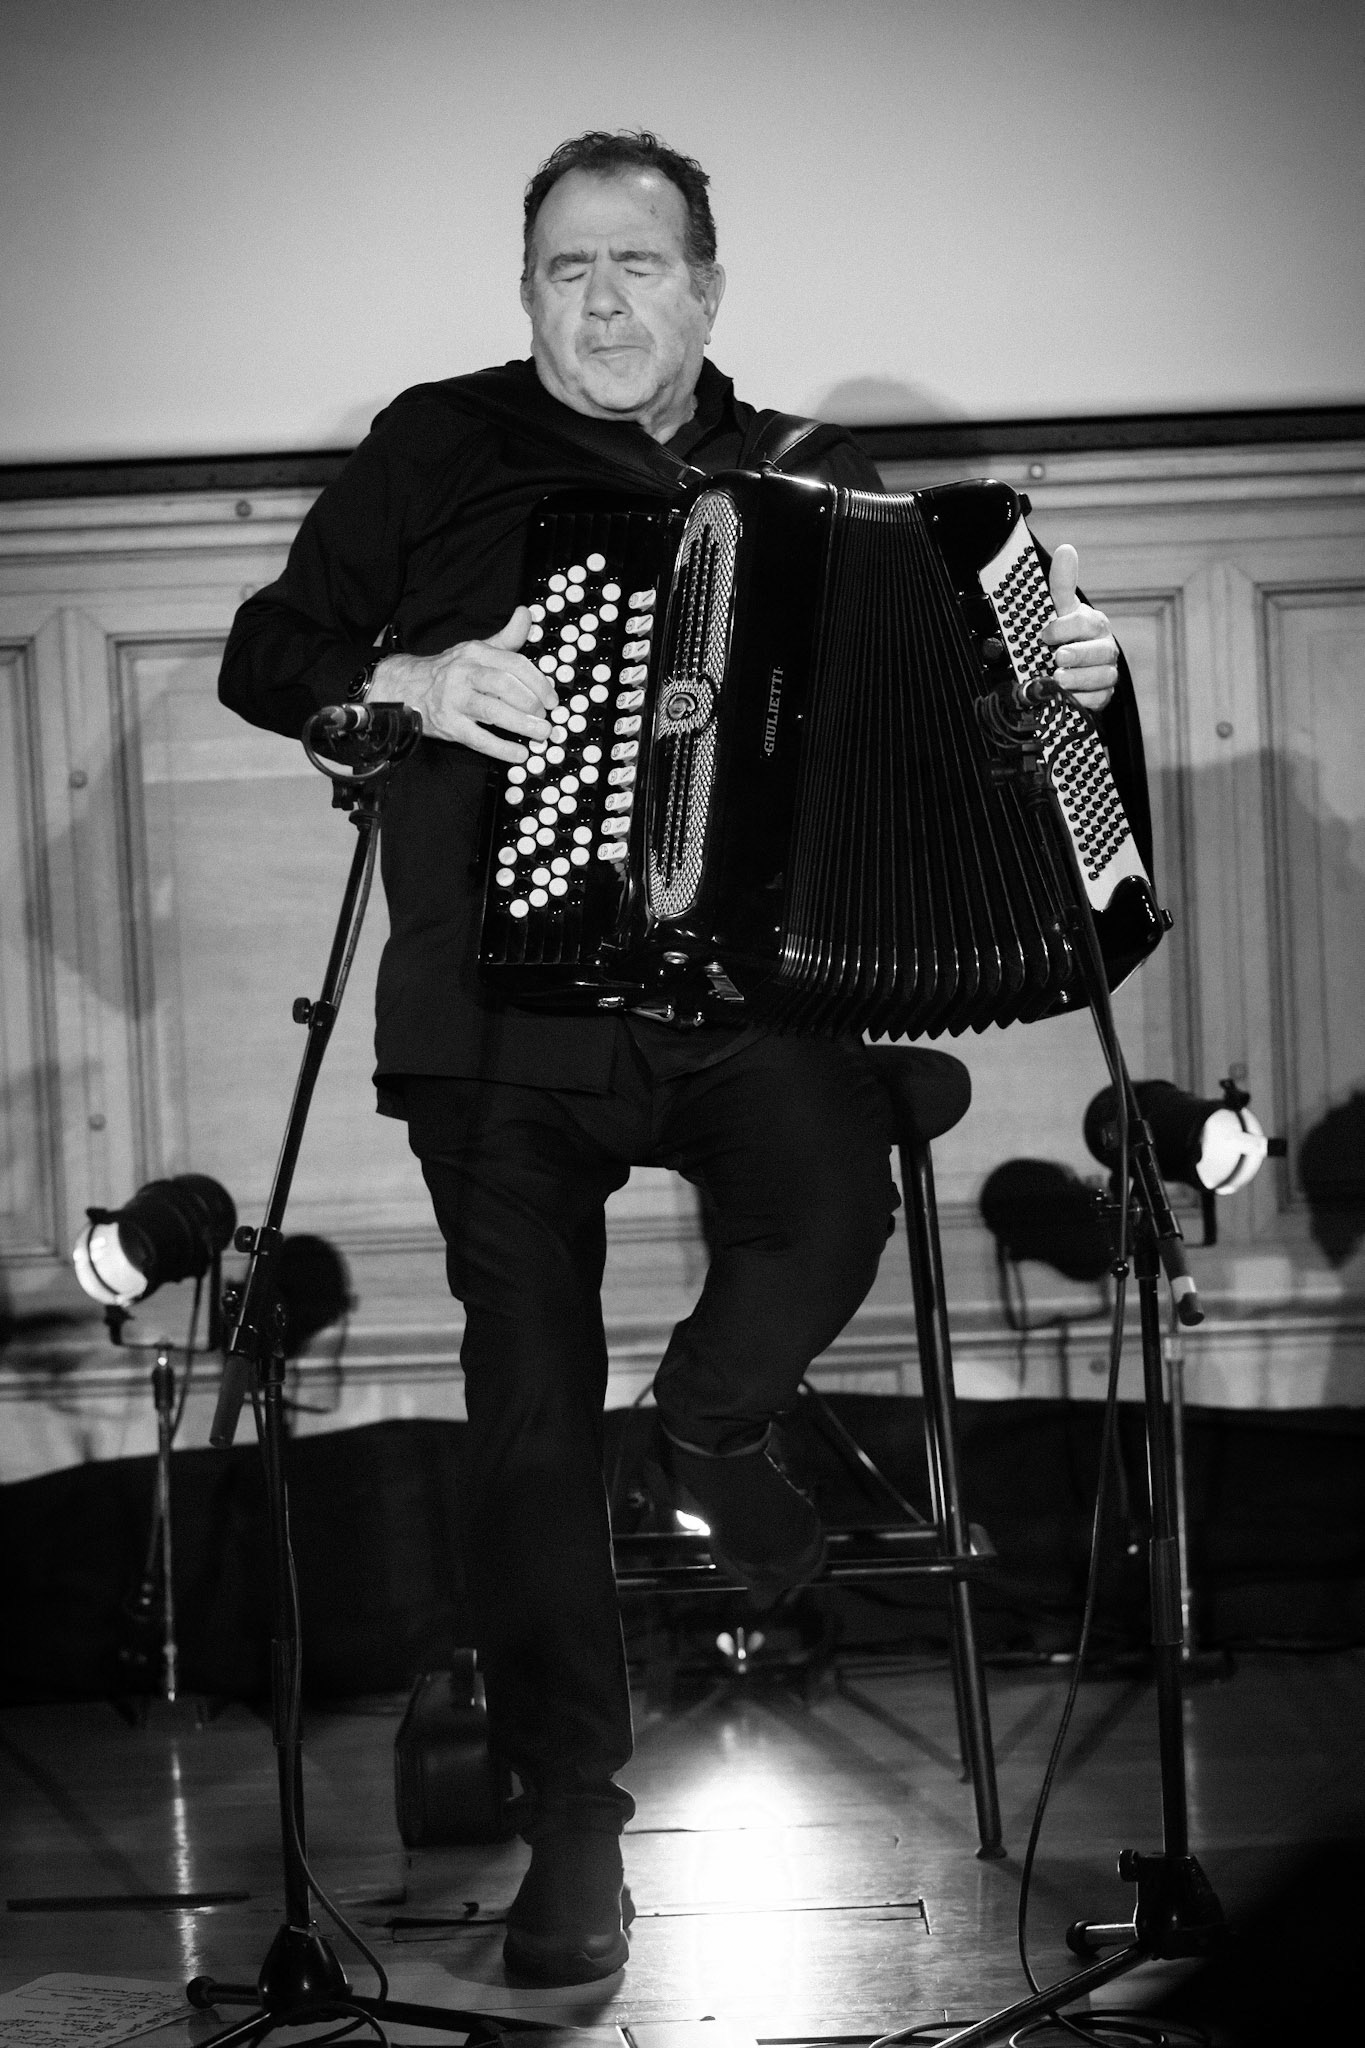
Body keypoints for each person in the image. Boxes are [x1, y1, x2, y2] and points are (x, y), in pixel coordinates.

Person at [219, 129, 1130, 1986]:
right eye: (568, 268)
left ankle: (709, 1429)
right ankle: (574, 1829)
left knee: (826, 1200)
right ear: (527, 296)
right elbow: (272, 646)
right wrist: (411, 684)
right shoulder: (442, 444)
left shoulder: (815, 480)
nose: (607, 297)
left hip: (744, 1001)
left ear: (709, 287)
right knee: (529, 1427)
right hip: (501, 1011)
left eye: (641, 263)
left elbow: (949, 737)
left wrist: (1059, 675)